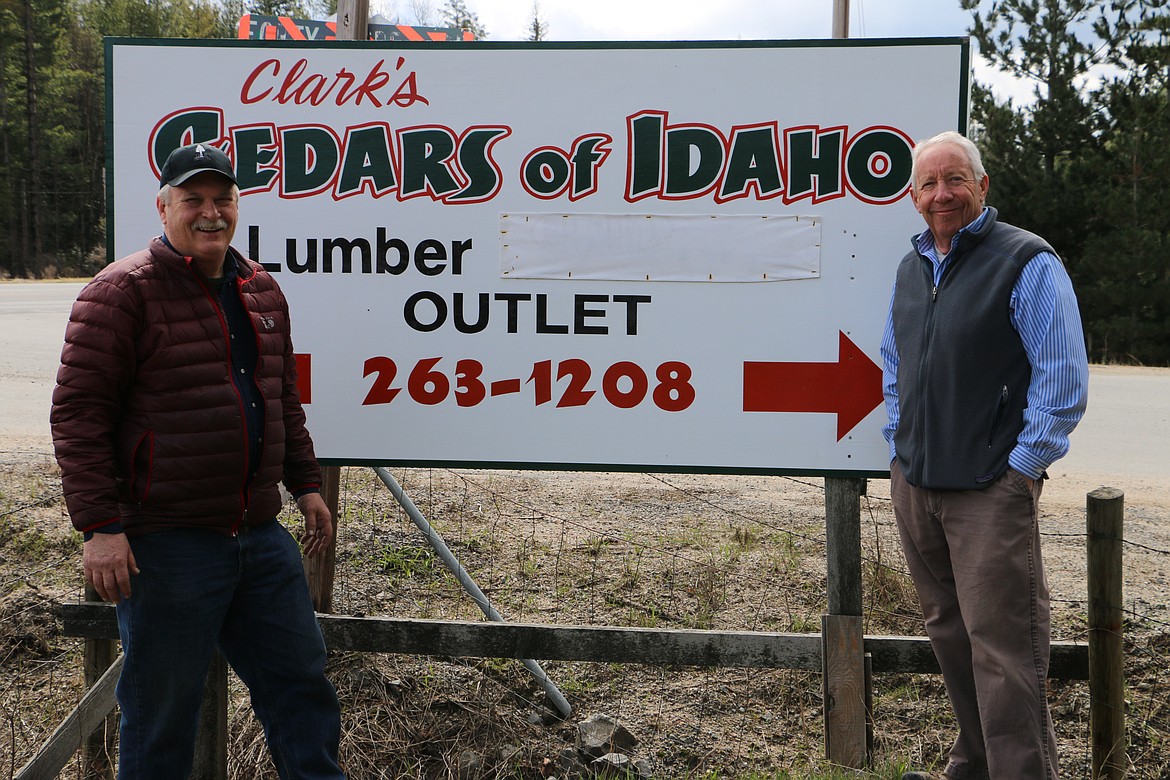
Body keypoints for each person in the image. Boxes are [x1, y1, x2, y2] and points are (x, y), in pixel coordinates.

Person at [51, 142, 347, 779]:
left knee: (302, 690)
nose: (210, 213)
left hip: (260, 540)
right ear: (163, 208)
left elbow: (280, 395)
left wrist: (305, 483)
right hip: (167, 545)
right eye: (194, 200)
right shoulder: (121, 292)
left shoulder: (261, 289)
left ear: (238, 206)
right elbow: (78, 415)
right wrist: (101, 527)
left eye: (222, 199)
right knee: (161, 716)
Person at [880, 130, 1089, 780]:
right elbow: (894, 363)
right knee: (949, 634)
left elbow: (1062, 380)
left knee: (1004, 652)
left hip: (989, 490)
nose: (942, 194)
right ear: (913, 197)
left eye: (955, 179)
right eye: (929, 184)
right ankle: (972, 767)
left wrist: (1021, 470)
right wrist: (898, 444)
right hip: (917, 485)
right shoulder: (911, 267)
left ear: (982, 186)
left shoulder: (1025, 261)